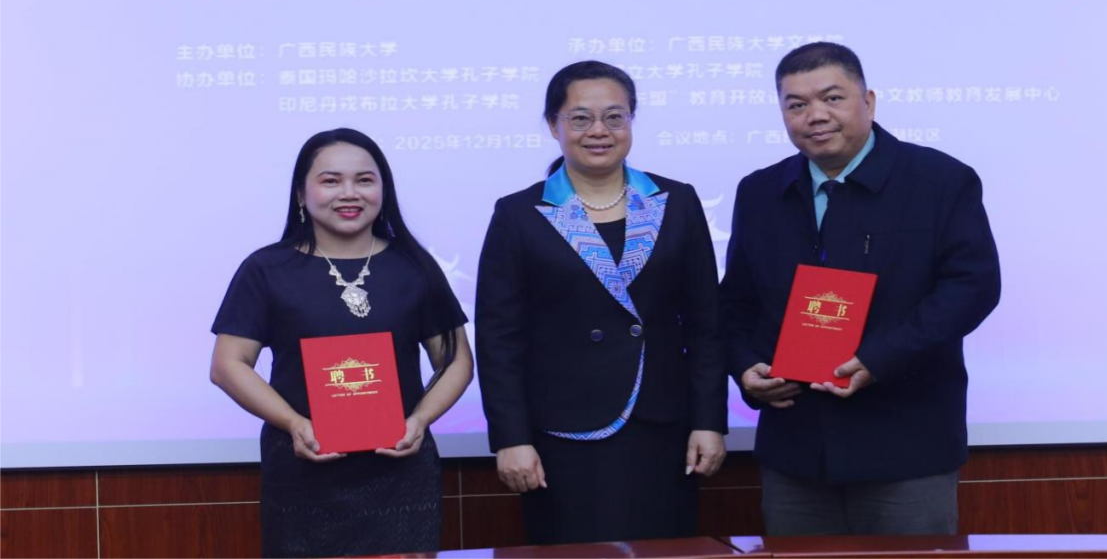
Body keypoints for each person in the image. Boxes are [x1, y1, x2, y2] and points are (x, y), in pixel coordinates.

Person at [720, 42, 1001, 536]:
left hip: (906, 443)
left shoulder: (939, 181)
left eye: (832, 98)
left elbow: (972, 288)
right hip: (796, 446)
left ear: (868, 102)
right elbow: (735, 302)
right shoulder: (761, 191)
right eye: (796, 104)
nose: (815, 116)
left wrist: (879, 358)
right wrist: (745, 367)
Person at [476, 60, 728, 545]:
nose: (599, 131)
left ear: (632, 120)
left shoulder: (675, 201)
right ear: (553, 125)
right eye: (580, 118)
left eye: (615, 117)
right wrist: (511, 437)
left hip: (661, 428)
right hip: (562, 433)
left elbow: (706, 324)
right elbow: (498, 338)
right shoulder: (520, 213)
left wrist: (709, 422)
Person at [210, 128, 473, 559]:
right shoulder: (267, 269)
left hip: (400, 470)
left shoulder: (415, 266)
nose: (349, 193)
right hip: (302, 465)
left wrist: (421, 419)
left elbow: (456, 360)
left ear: (383, 190)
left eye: (364, 180)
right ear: (301, 193)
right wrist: (294, 423)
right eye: (331, 181)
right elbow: (228, 364)